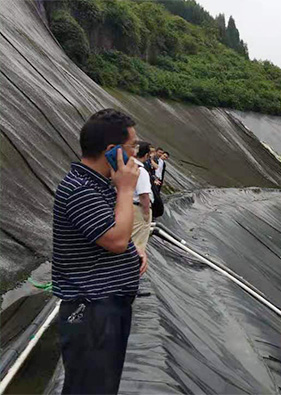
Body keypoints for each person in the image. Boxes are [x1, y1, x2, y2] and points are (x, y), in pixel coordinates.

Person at [51, 108, 148, 395]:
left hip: (106, 308)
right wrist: (127, 191)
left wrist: (135, 252)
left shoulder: (99, 185)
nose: (137, 153)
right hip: (91, 311)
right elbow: (116, 240)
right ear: (112, 151)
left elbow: (114, 235)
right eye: (133, 146)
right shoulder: (81, 189)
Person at [131, 142, 153, 253]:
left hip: (125, 205)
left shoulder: (127, 167)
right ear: (146, 155)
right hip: (138, 209)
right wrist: (146, 214)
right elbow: (144, 195)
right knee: (137, 241)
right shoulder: (141, 171)